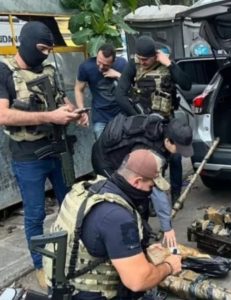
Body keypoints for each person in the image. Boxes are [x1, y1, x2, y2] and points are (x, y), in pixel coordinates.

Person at [0, 21, 84, 288]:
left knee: (70, 206)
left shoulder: (47, 68)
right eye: (41, 48)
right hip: (28, 156)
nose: (46, 54)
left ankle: (74, 256)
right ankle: (40, 265)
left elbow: (61, 100)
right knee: (35, 214)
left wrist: (70, 111)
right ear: (24, 43)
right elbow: (2, 115)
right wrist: (50, 116)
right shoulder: (4, 71)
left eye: (49, 49)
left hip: (57, 149)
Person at [44, 149, 182, 299]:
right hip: (87, 294)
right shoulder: (117, 217)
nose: (151, 191)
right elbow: (138, 281)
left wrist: (142, 251)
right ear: (137, 181)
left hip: (62, 285)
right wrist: (169, 266)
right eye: (150, 186)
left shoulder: (90, 188)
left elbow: (97, 237)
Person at [91, 113, 194, 248]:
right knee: (124, 201)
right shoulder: (150, 152)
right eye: (179, 148)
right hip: (106, 161)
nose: (180, 152)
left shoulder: (161, 126)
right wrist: (167, 228)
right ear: (168, 141)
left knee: (142, 197)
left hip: (125, 156)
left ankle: (141, 235)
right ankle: (124, 245)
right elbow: (157, 192)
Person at [115, 35, 192, 202]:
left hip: (167, 120)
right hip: (145, 122)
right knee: (150, 161)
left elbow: (187, 85)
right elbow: (119, 94)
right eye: (139, 58)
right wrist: (138, 118)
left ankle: (176, 195)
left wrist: (170, 64)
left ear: (155, 55)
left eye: (145, 59)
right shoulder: (133, 65)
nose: (142, 62)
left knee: (175, 158)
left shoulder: (165, 63)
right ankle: (149, 198)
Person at [74, 44, 127, 139]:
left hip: (121, 114)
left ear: (114, 61)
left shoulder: (122, 64)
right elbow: (78, 89)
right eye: (99, 62)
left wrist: (118, 75)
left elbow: (132, 86)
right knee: (101, 148)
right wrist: (82, 111)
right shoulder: (86, 67)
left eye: (106, 65)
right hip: (100, 116)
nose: (101, 67)